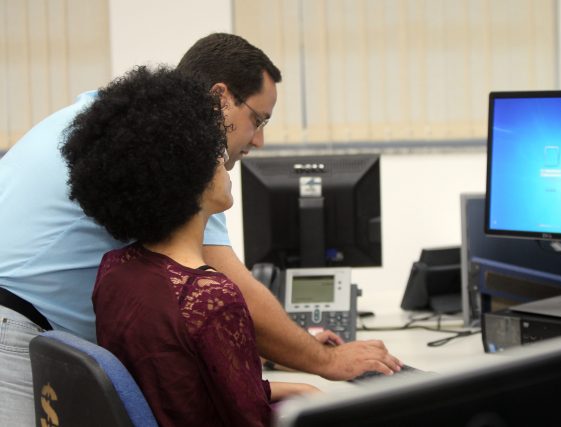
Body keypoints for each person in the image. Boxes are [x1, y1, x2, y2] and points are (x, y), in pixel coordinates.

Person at [0, 33, 401, 425]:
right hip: (13, 333)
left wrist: (243, 343)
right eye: (257, 120)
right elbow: (223, 288)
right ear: (220, 98)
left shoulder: (113, 124)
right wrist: (326, 361)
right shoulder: (176, 159)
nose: (259, 141)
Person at [61, 65, 317, 426]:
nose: (225, 163)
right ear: (186, 173)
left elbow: (184, 387)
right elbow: (250, 419)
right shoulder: (210, 297)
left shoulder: (116, 269)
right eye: (214, 153)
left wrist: (296, 390)